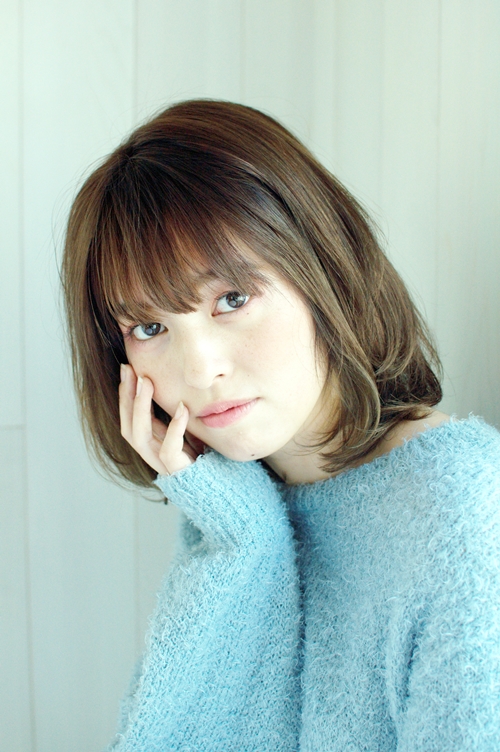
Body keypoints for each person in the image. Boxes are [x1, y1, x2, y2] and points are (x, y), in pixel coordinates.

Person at [62, 100, 500, 751]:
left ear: (323, 272)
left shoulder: (462, 508)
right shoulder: (243, 505)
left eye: (232, 299)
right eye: (149, 327)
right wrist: (242, 534)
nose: (199, 369)